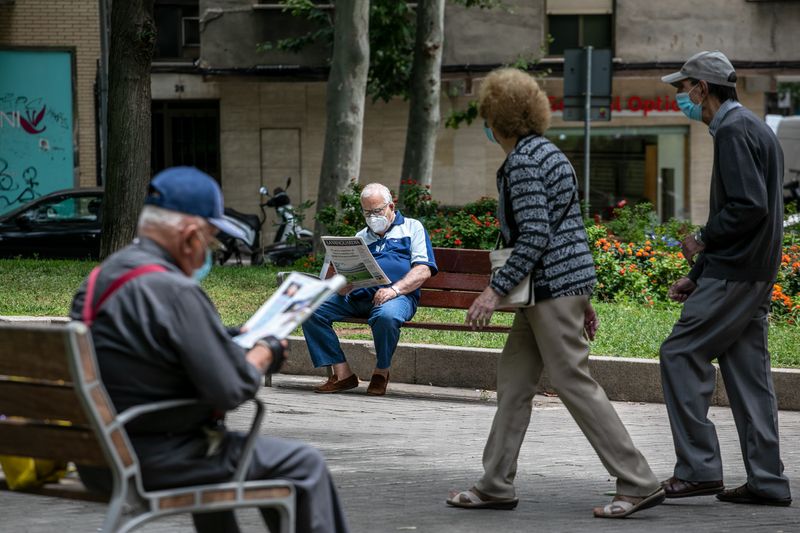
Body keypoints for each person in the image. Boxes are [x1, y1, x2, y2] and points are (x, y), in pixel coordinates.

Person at [70, 166, 350, 533]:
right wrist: (264, 353)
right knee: (302, 464)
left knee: (232, 453)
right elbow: (230, 390)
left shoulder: (99, 280)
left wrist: (223, 336)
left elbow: (146, 350)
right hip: (157, 458)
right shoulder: (174, 290)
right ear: (190, 236)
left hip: (97, 458)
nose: (211, 253)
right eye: (212, 241)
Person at [445, 68, 664, 518]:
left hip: (546, 291)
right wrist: (582, 295)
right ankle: (494, 485)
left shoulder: (523, 162)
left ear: (497, 116)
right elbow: (571, 230)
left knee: (573, 382)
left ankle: (638, 481)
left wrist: (492, 292)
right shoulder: (549, 153)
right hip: (552, 290)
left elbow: (536, 235)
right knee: (514, 382)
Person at [659, 51, 792, 506]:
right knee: (748, 376)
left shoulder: (734, 130)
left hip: (737, 275)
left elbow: (746, 206)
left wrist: (700, 238)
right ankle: (767, 482)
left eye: (684, 89)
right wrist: (699, 274)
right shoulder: (750, 127)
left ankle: (698, 470)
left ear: (702, 88)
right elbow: (749, 209)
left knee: (679, 352)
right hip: (750, 272)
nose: (681, 97)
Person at [302, 183, 437, 396]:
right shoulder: (361, 236)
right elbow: (346, 274)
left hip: (396, 296)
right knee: (309, 308)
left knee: (386, 316)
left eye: (377, 211)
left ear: (391, 206)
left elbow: (423, 270)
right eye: (367, 212)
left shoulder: (412, 228)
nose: (373, 216)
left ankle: (381, 372)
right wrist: (343, 285)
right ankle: (343, 374)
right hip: (358, 295)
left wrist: (394, 290)